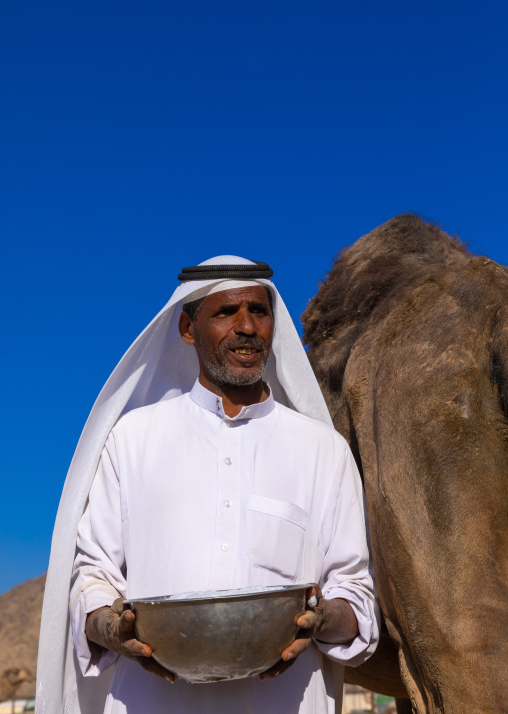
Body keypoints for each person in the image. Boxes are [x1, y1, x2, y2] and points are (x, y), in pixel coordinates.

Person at [37, 257, 378, 714]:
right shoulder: (133, 440)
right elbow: (93, 577)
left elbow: (354, 594)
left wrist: (321, 619)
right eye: (224, 313)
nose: (246, 327)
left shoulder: (322, 450)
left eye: (259, 311)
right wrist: (112, 628)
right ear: (187, 327)